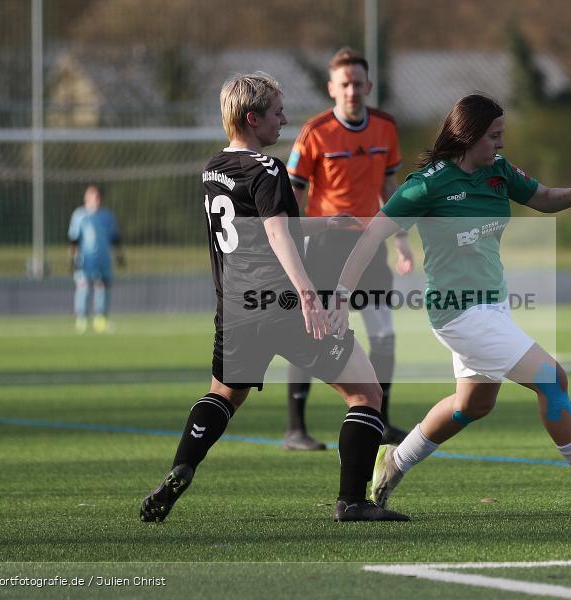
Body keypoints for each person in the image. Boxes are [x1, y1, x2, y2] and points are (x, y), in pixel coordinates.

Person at [139, 72, 409, 523]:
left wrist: (326, 224)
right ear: (252, 118)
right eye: (277, 113)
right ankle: (352, 502)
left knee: (224, 395)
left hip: (235, 311)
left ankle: (182, 467)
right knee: (366, 392)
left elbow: (259, 227)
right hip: (283, 305)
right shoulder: (270, 170)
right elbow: (276, 233)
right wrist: (308, 295)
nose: (284, 120)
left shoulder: (213, 169)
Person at [329, 93, 571, 511]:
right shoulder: (426, 184)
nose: (501, 144)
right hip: (458, 312)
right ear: (468, 135)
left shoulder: (499, 173)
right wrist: (339, 294)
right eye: (494, 136)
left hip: (494, 306)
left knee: (473, 404)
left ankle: (395, 458)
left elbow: (544, 197)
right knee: (552, 380)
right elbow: (372, 235)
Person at [283, 47, 414, 451]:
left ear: (368, 86)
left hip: (370, 245)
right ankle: (296, 429)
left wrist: (402, 240)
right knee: (312, 333)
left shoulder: (386, 128)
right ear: (331, 89)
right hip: (323, 247)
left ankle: (381, 420)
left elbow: (388, 189)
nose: (352, 91)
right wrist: (291, 241)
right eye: (344, 84)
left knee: (384, 335)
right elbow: (292, 193)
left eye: (358, 83)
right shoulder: (315, 131)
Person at [68, 184, 125, 334]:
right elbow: (74, 238)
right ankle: (82, 319)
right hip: (85, 259)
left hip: (104, 258)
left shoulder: (107, 216)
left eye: (98, 196)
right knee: (84, 287)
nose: (97, 199)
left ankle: (101, 319)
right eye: (94, 196)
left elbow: (115, 238)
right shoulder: (80, 215)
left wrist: (119, 256)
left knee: (103, 287)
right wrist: (71, 258)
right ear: (87, 198)